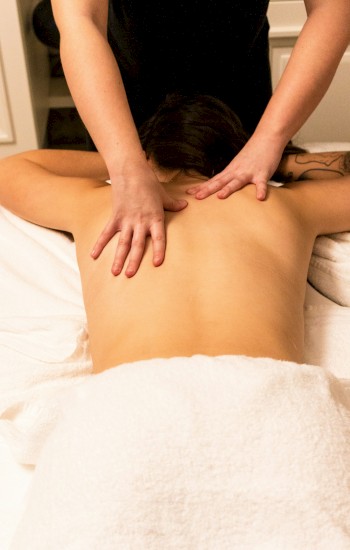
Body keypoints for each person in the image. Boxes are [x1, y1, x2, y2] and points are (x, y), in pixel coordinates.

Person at [0, 93, 349, 373]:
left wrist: (130, 163)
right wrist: (281, 160)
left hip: (129, 400)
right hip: (270, 393)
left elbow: (11, 169)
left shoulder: (99, 204)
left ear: (151, 156)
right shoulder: (281, 204)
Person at [50, 0, 350, 278]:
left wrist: (270, 139)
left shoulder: (281, 208)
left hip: (236, 92)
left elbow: (333, 8)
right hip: (125, 99)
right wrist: (125, 166)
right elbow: (80, 20)